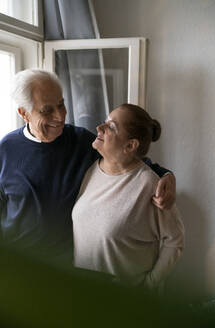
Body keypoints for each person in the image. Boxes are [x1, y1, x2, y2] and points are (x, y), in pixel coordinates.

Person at [0, 69, 175, 266]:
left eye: (61, 104)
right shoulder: (5, 149)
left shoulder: (82, 141)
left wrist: (166, 175)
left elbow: (130, 161)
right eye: (47, 110)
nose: (59, 116)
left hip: (66, 267)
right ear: (24, 113)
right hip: (16, 264)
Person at [72, 104, 184, 288]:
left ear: (130, 145)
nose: (100, 128)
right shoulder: (90, 170)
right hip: (86, 295)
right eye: (105, 122)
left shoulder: (150, 185)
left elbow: (175, 239)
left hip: (129, 303)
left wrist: (149, 284)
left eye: (111, 127)